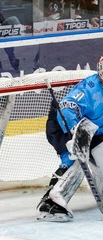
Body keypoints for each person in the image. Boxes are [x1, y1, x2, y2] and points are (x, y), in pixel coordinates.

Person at [37, 57, 103, 221]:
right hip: (64, 124)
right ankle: (52, 204)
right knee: (74, 160)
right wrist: (74, 133)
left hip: (92, 130)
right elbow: (66, 108)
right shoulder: (91, 88)